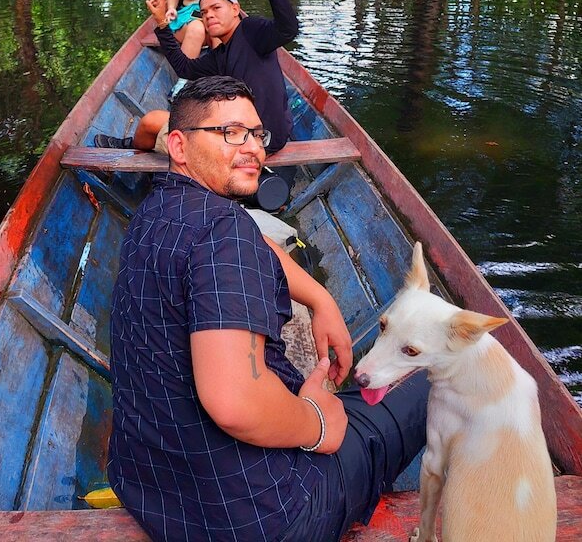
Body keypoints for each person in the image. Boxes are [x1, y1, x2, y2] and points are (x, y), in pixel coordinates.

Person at [107, 76, 429, 542]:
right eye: (229, 133)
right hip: (271, 516)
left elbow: (253, 241)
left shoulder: (157, 211)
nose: (252, 148)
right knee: (439, 371)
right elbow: (235, 404)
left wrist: (320, 298)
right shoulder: (225, 235)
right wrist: (320, 424)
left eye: (257, 134)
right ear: (178, 145)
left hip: (153, 497)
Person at [94, 0, 298, 157]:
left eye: (216, 8)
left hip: (258, 140)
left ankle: (131, 147)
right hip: (256, 135)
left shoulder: (252, 31)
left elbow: (288, 29)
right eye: (204, 12)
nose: (209, 15)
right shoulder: (220, 55)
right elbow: (184, 67)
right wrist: (162, 24)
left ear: (235, 9)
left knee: (150, 122)